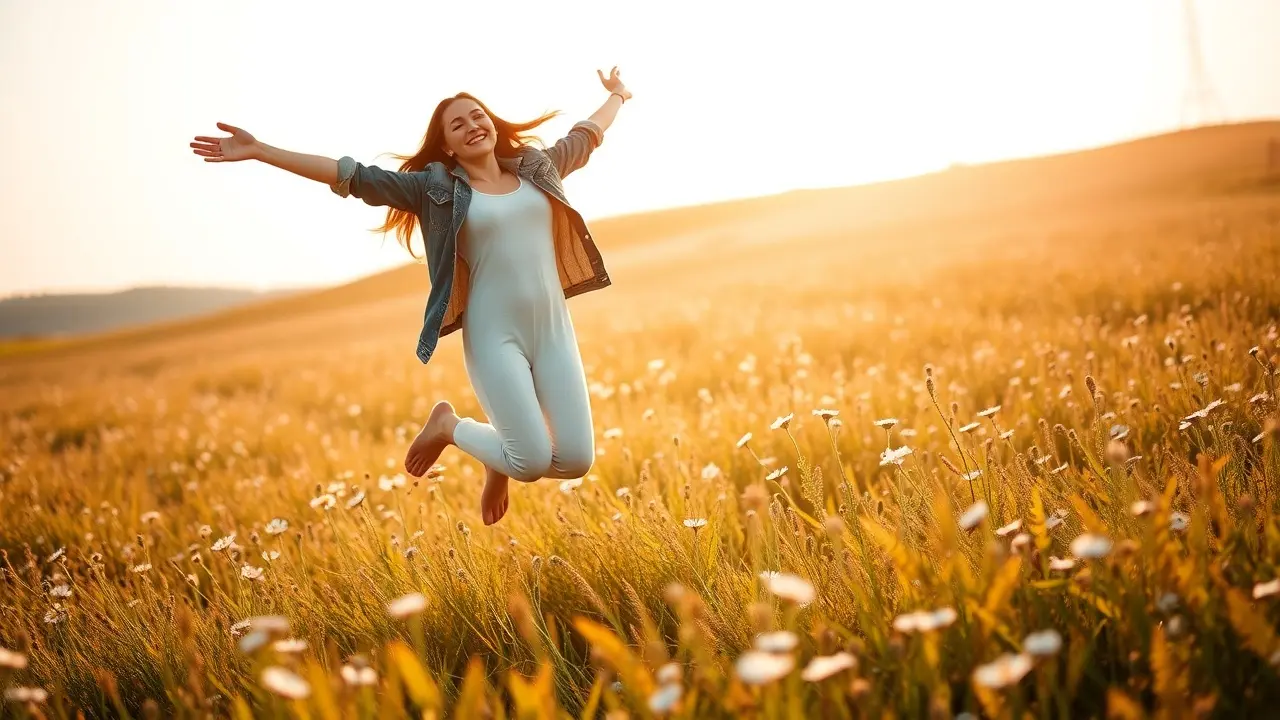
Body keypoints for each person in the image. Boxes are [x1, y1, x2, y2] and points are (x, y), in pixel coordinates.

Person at [191, 68, 632, 525]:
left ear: (493, 125)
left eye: (477, 116)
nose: (472, 125)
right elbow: (352, 176)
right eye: (457, 125)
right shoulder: (436, 190)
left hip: (555, 332)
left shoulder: (538, 168)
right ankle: (449, 427)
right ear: (448, 147)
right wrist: (261, 151)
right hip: (494, 336)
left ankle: (492, 454)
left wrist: (619, 95)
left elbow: (587, 134)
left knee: (576, 460)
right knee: (530, 463)